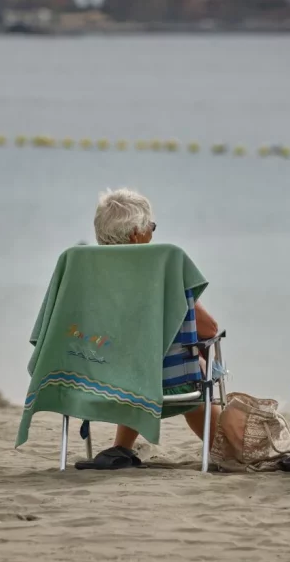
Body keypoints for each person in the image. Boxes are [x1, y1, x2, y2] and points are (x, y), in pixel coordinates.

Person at [93, 188, 221, 451]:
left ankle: (121, 448)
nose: (153, 231)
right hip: (161, 380)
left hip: (97, 377)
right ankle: (220, 446)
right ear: (136, 235)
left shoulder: (89, 272)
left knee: (140, 362)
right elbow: (209, 327)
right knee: (191, 363)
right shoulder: (159, 271)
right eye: (151, 226)